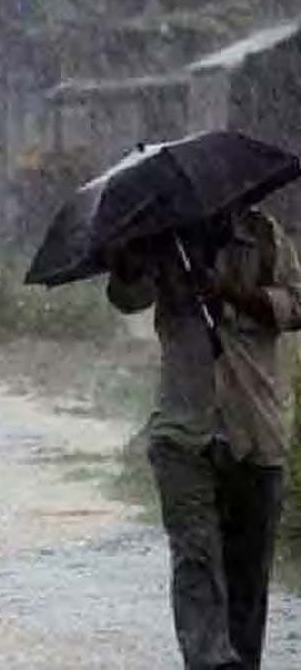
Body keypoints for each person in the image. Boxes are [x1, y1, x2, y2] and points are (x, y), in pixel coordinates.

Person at [106, 206, 301, 670]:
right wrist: (125, 262)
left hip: (256, 429)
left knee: (247, 577)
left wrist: (229, 291)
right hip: (183, 430)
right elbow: (128, 298)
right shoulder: (163, 238)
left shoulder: (265, 237)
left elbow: (297, 306)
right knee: (195, 558)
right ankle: (210, 663)